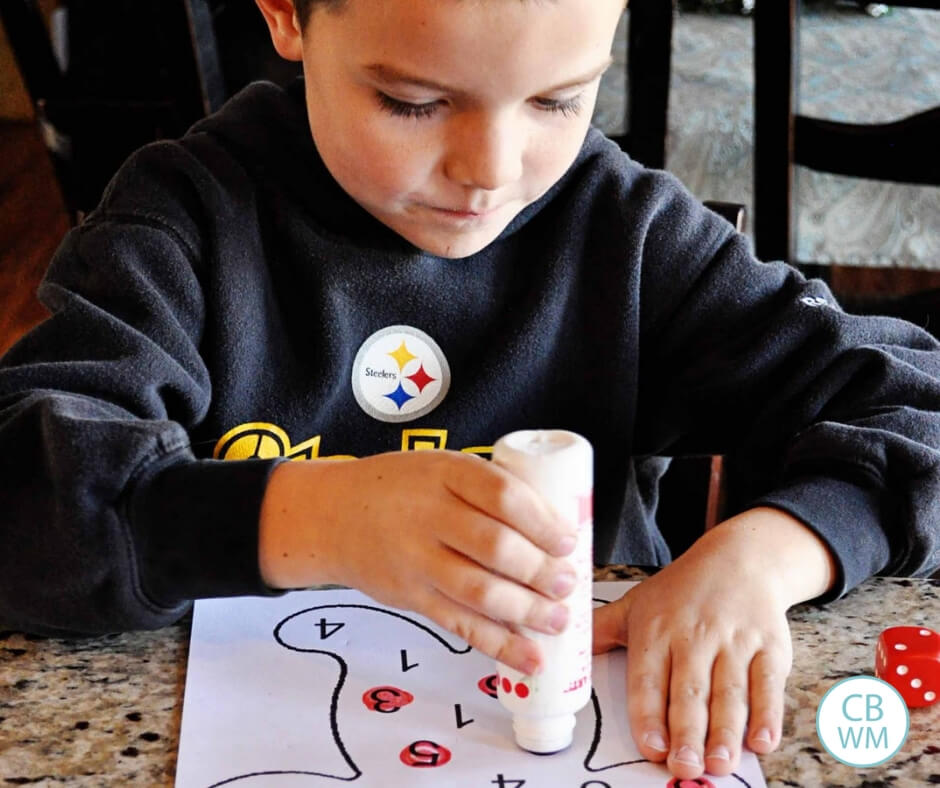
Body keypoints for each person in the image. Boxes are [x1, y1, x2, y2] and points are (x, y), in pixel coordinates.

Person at [0, 0, 937, 780]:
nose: (491, 173)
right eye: (412, 102)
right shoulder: (182, 224)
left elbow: (917, 407)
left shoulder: (627, 236)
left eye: (559, 101)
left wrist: (764, 561)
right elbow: (25, 495)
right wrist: (312, 520)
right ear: (287, 13)